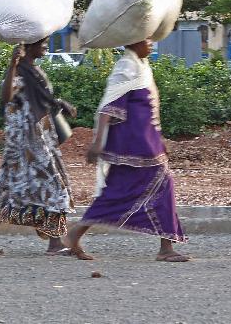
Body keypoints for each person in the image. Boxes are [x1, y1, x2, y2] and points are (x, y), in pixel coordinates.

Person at [64, 39, 189, 262]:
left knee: (124, 190)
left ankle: (76, 233)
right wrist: (99, 142)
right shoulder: (126, 67)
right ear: (134, 43)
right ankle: (165, 248)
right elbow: (109, 107)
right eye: (147, 41)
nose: (151, 44)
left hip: (147, 140)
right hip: (134, 143)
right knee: (152, 186)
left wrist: (159, 138)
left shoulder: (141, 65)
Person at [0, 39, 76, 256]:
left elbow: (37, 97)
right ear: (28, 47)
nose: (46, 46)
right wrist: (12, 64)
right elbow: (7, 97)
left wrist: (59, 103)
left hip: (40, 135)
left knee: (20, 192)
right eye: (42, 43)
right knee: (53, 186)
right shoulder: (19, 70)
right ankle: (55, 244)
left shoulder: (34, 70)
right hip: (27, 141)